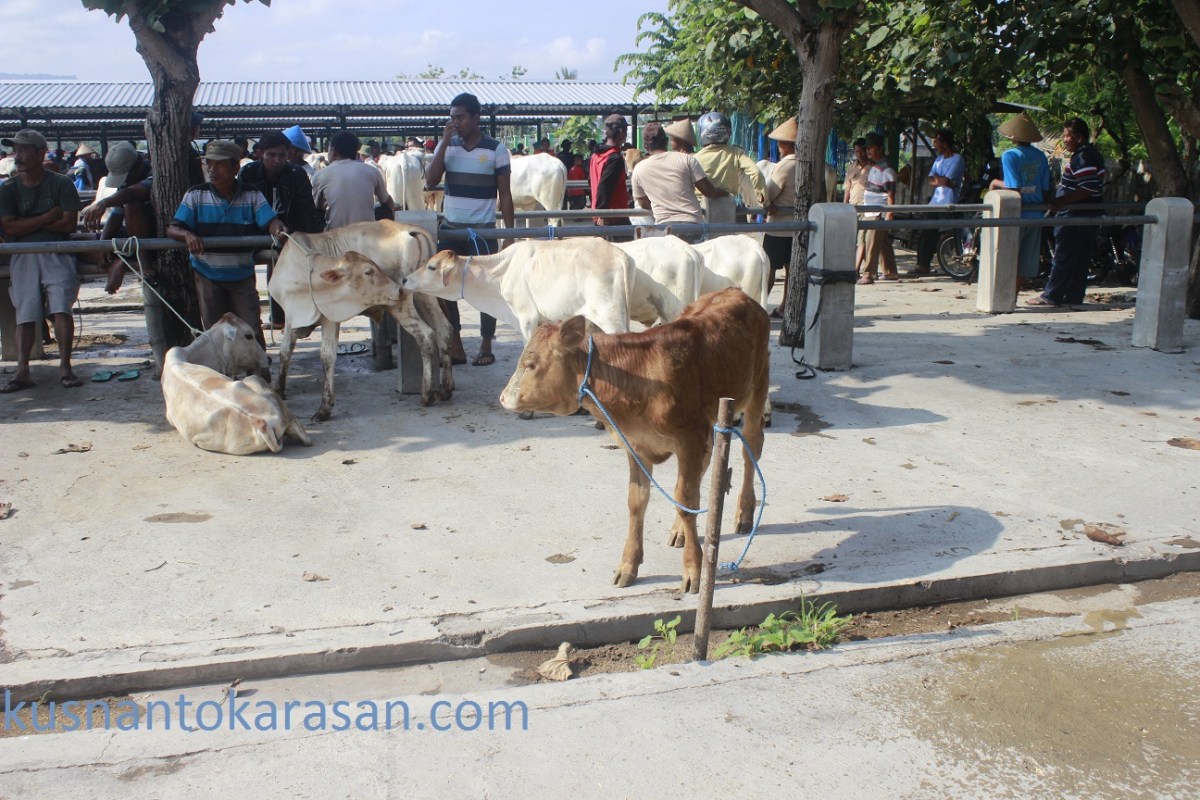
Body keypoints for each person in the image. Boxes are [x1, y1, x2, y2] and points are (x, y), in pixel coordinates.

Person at [167, 139, 284, 355]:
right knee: (214, 331)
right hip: (207, 274)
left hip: (241, 274)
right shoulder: (195, 195)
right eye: (209, 164)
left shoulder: (251, 194)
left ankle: (259, 369)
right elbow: (173, 228)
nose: (212, 170)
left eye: (220, 164)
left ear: (235, 168)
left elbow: (270, 220)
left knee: (250, 327)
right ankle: (220, 371)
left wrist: (277, 227)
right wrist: (187, 234)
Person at [423, 92, 514, 367]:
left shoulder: (496, 149)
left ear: (476, 118)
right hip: (451, 230)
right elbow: (430, 181)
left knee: (487, 288)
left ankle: (486, 344)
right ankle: (456, 343)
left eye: (460, 117)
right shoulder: (448, 147)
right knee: (444, 286)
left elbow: (505, 194)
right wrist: (443, 142)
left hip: (483, 232)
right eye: (452, 118)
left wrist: (509, 235)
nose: (455, 123)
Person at [0, 129, 85, 392]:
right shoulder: (8, 188)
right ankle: (22, 370)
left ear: (40, 153)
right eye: (16, 150)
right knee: (25, 313)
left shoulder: (61, 183)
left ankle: (65, 366)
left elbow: (68, 224)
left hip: (56, 250)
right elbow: (9, 228)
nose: (18, 155)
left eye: (23, 150)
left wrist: (27, 224)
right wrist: (48, 217)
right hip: (24, 253)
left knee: (61, 309)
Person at [239, 130, 325, 328]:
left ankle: (283, 319)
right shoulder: (248, 173)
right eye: (271, 155)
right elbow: (242, 208)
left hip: (288, 232)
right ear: (260, 154)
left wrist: (310, 237)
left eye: (282, 155)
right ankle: (251, 320)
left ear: (288, 154)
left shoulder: (296, 174)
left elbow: (306, 209)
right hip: (254, 232)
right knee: (245, 278)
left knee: (287, 277)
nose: (277, 160)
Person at [1029, 117, 1105, 307]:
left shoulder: (1084, 157)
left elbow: (1087, 188)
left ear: (1079, 138)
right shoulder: (1089, 154)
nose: (1064, 140)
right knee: (1079, 259)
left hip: (1074, 216)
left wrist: (1060, 201)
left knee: (1064, 256)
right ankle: (1073, 296)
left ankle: (1052, 295)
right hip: (1084, 215)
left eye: (1067, 136)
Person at [630, 121, 725, 240]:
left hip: (665, 229)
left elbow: (643, 203)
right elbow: (709, 191)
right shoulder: (686, 159)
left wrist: (662, 201)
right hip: (693, 225)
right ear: (666, 141)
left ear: (645, 146)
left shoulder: (639, 169)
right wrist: (725, 192)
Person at [80, 141, 154, 294]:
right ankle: (116, 261)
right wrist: (103, 244)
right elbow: (117, 214)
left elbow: (131, 194)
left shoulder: (153, 174)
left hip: (152, 235)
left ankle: (142, 261)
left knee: (133, 205)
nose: (124, 182)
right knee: (74, 241)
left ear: (137, 166)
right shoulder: (127, 183)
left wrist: (102, 203)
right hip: (129, 237)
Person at [989, 112, 1050, 292]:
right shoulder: (1040, 156)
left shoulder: (1010, 155)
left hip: (1015, 214)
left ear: (1014, 136)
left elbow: (1013, 188)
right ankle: (1013, 295)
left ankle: (1004, 296)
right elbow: (1046, 189)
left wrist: (995, 183)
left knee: (1008, 258)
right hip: (1036, 214)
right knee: (1025, 261)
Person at [311, 130, 394, 231]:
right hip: (367, 235)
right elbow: (387, 202)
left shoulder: (320, 176)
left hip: (336, 237)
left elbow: (314, 209)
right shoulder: (372, 171)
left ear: (333, 151)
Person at [693, 111, 764, 225]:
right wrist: (764, 202)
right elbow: (756, 173)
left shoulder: (694, 159)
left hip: (700, 211)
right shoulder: (736, 153)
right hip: (726, 207)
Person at [911, 128, 965, 275]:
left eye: (937, 141)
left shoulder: (957, 159)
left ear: (945, 143)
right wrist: (941, 181)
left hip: (948, 202)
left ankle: (953, 259)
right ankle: (923, 264)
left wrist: (941, 180)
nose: (935, 144)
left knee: (946, 232)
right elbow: (932, 180)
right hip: (935, 202)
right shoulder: (938, 160)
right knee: (926, 232)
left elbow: (947, 181)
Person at [763, 118, 798, 317]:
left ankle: (761, 306)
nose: (778, 145)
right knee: (792, 270)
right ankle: (786, 306)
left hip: (779, 227)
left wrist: (767, 203)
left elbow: (769, 193)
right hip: (798, 226)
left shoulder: (784, 166)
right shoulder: (808, 163)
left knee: (768, 269)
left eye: (780, 142)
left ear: (786, 145)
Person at [859, 132, 898, 284]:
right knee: (883, 243)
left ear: (880, 148)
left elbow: (891, 194)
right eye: (867, 148)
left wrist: (889, 213)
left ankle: (868, 274)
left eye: (871, 147)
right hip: (871, 210)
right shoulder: (875, 166)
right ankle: (890, 271)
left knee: (871, 243)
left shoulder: (887, 170)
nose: (868, 150)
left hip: (878, 212)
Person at [590, 114, 633, 233]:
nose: (626, 134)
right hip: (613, 217)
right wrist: (603, 214)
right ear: (621, 131)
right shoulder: (615, 158)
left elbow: (592, 182)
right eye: (626, 130)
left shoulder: (595, 155)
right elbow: (604, 186)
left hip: (599, 214)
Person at [843, 137, 874, 271]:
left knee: (861, 239)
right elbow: (847, 188)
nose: (859, 154)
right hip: (852, 207)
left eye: (862, 151)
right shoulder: (851, 167)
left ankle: (856, 269)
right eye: (857, 151)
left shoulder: (873, 167)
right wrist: (844, 206)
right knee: (851, 239)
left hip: (867, 208)